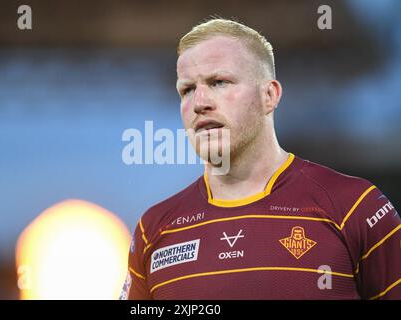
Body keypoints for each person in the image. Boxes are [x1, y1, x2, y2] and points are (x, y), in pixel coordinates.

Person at [120, 18, 401, 299]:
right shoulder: (154, 229)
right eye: (187, 90)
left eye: (219, 82)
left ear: (269, 95)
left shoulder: (356, 207)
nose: (199, 103)